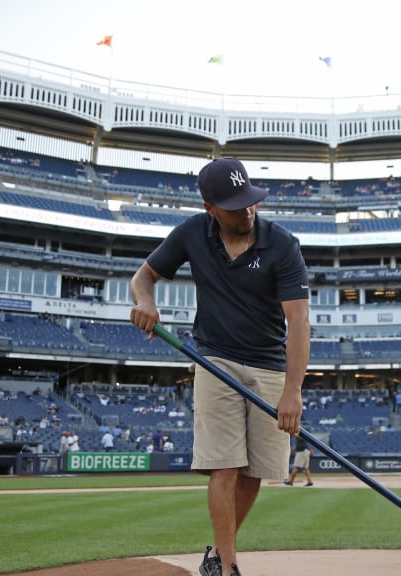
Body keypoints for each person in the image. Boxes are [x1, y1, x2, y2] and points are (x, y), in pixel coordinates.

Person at [130, 157, 310, 576]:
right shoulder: (193, 232)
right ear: (210, 208)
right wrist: (146, 302)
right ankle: (228, 568)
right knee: (225, 465)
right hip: (215, 360)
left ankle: (215, 553)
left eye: (250, 201)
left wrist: (292, 391)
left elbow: (298, 320)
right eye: (234, 206)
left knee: (255, 473)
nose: (247, 210)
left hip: (269, 365)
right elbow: (144, 277)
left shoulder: (282, 244)